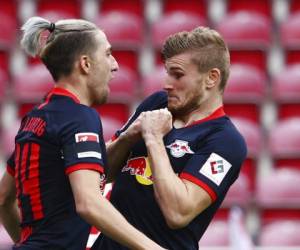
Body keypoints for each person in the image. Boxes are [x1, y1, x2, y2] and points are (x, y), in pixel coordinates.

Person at [0, 16, 166, 250]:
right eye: (108, 54)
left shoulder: (34, 118)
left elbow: (4, 198)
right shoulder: (78, 117)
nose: (115, 64)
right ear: (85, 64)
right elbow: (89, 203)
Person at [92, 26, 248, 250]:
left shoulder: (225, 141)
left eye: (178, 75)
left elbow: (178, 212)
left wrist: (153, 139)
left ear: (211, 78)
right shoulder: (156, 104)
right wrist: (127, 138)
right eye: (167, 72)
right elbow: (100, 173)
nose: (167, 83)